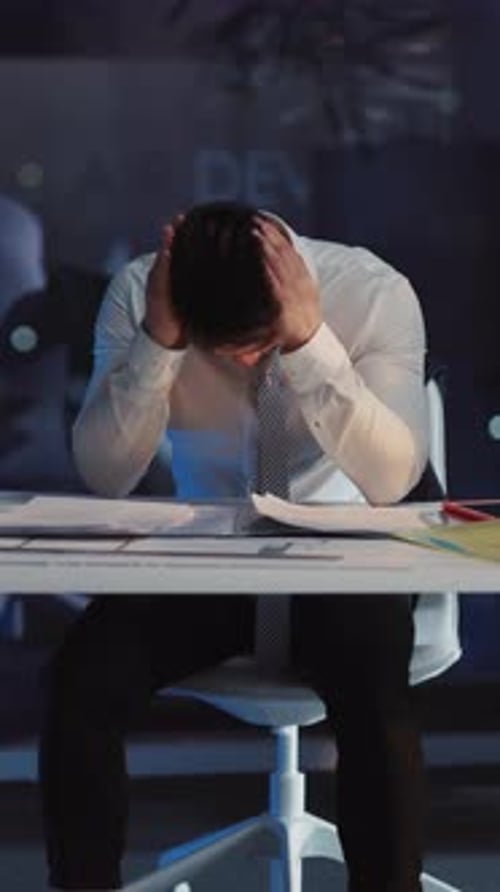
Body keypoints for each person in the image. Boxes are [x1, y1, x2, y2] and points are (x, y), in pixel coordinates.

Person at [40, 201, 434, 892]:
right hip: (205, 562)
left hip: (338, 559)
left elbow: (391, 479)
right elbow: (106, 473)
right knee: (78, 684)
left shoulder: (373, 293)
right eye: (222, 350)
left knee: (378, 704)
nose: (245, 362)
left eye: (257, 344)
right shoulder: (140, 293)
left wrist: (307, 341)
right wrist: (159, 343)